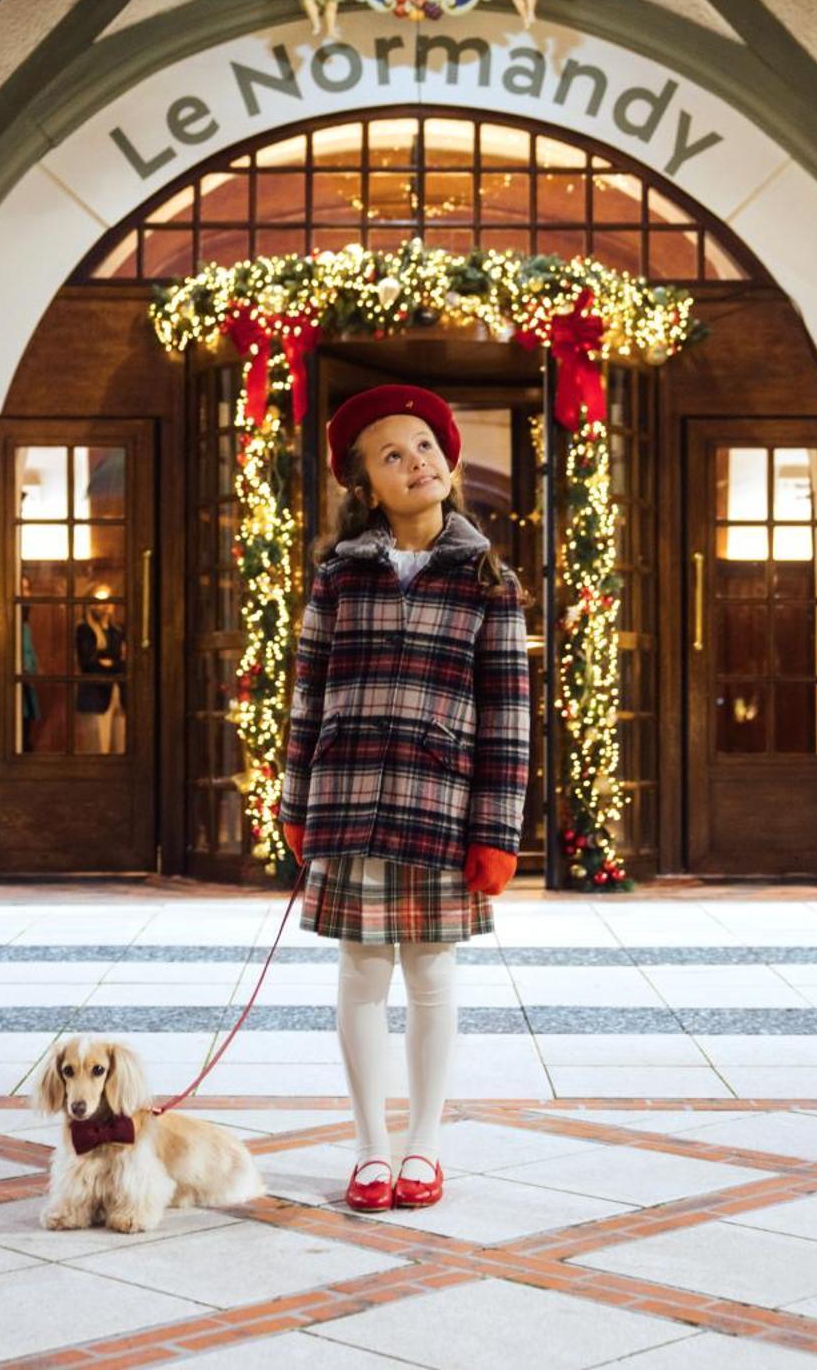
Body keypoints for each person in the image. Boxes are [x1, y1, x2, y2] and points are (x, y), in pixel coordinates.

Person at [279, 383, 530, 1213]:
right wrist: (294, 801)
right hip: (346, 803)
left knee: (429, 977)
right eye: (392, 455)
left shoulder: (488, 578)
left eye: (423, 445)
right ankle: (369, 1150)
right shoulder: (338, 579)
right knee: (358, 976)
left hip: (439, 807)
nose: (415, 462)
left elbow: (507, 717)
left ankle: (423, 1145)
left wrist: (496, 830)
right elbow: (305, 699)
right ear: (365, 486)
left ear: (447, 458)